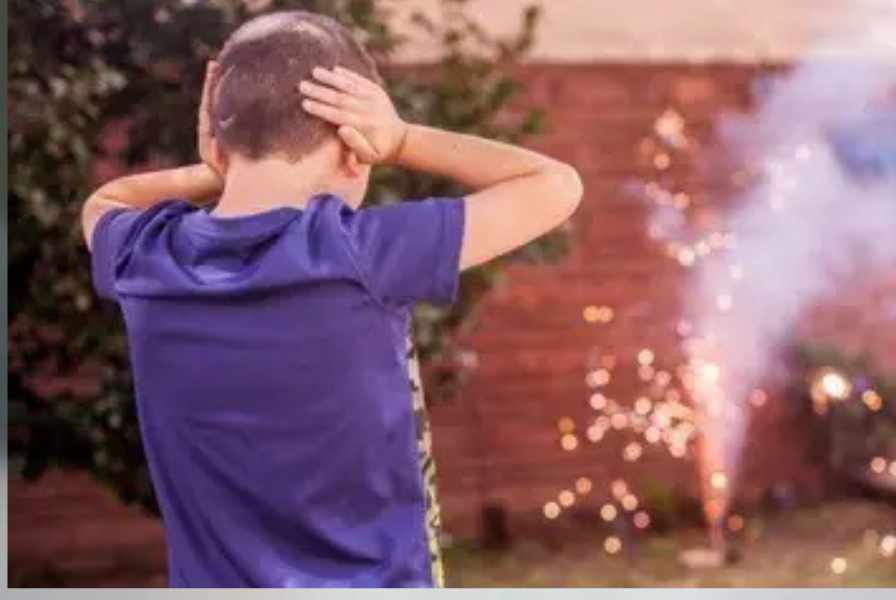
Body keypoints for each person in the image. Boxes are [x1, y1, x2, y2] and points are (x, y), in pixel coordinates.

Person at [80, 10, 582, 588]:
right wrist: (403, 139)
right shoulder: (357, 254)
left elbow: (105, 202)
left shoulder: (145, 259)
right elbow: (556, 186)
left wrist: (214, 167)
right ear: (354, 150)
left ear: (219, 144)